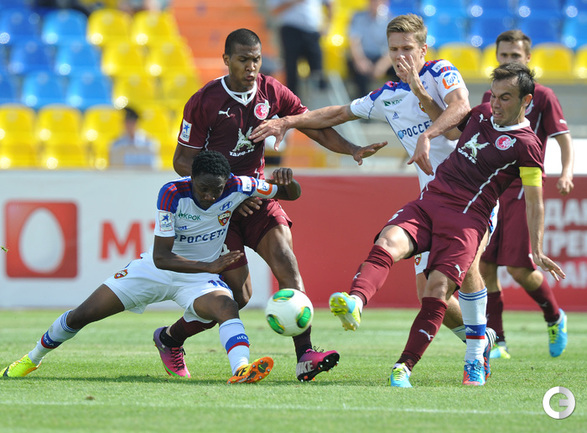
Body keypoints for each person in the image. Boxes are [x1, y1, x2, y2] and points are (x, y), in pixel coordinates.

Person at [251, 13, 497, 385]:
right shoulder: (387, 95)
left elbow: (460, 108)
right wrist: (288, 122)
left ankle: (475, 357)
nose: (400, 56)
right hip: (433, 201)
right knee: (429, 294)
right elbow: (337, 113)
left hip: (474, 197)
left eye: (407, 48)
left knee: (470, 269)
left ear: (423, 49)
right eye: (394, 49)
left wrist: (426, 130)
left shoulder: (441, 72)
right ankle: (480, 338)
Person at [156, 28, 386, 382]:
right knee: (239, 296)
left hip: (257, 199)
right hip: (221, 210)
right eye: (243, 60)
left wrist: (351, 149)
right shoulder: (205, 101)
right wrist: (229, 192)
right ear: (226, 60)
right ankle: (171, 338)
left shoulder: (272, 91)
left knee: (286, 262)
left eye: (256, 59)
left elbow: (312, 125)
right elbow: (182, 161)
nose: (251, 67)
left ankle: (305, 355)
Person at [1, 151, 302, 383]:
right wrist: (210, 265)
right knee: (83, 314)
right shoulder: (172, 193)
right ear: (191, 178)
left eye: (217, 190)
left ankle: (241, 370)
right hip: (156, 271)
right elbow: (161, 257)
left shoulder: (239, 185)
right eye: (203, 189)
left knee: (227, 306)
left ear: (227, 183)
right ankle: (31, 358)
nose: (210, 196)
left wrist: (287, 182)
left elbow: (290, 194)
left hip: (198, 278)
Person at [479, 30, 574, 360]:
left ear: (528, 58)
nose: (509, 60)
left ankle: (554, 316)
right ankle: (498, 341)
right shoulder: (491, 96)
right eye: (504, 55)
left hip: (523, 187)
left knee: (519, 269)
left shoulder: (542, 96)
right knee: (485, 265)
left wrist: (565, 172)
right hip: (492, 190)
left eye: (515, 56)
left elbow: (563, 137)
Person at [269, 0, 332, 95]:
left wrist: (328, 25)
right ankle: (291, 100)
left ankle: (320, 98)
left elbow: (329, 4)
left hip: (313, 32)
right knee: (291, 69)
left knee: (317, 70)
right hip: (291, 30)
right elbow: (275, 10)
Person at [346, 0, 394, 99]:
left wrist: (382, 65)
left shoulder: (391, 20)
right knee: (357, 71)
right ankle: (361, 101)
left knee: (400, 67)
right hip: (364, 56)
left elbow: (393, 47)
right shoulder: (358, 17)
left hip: (383, 58)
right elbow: (354, 41)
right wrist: (360, 60)